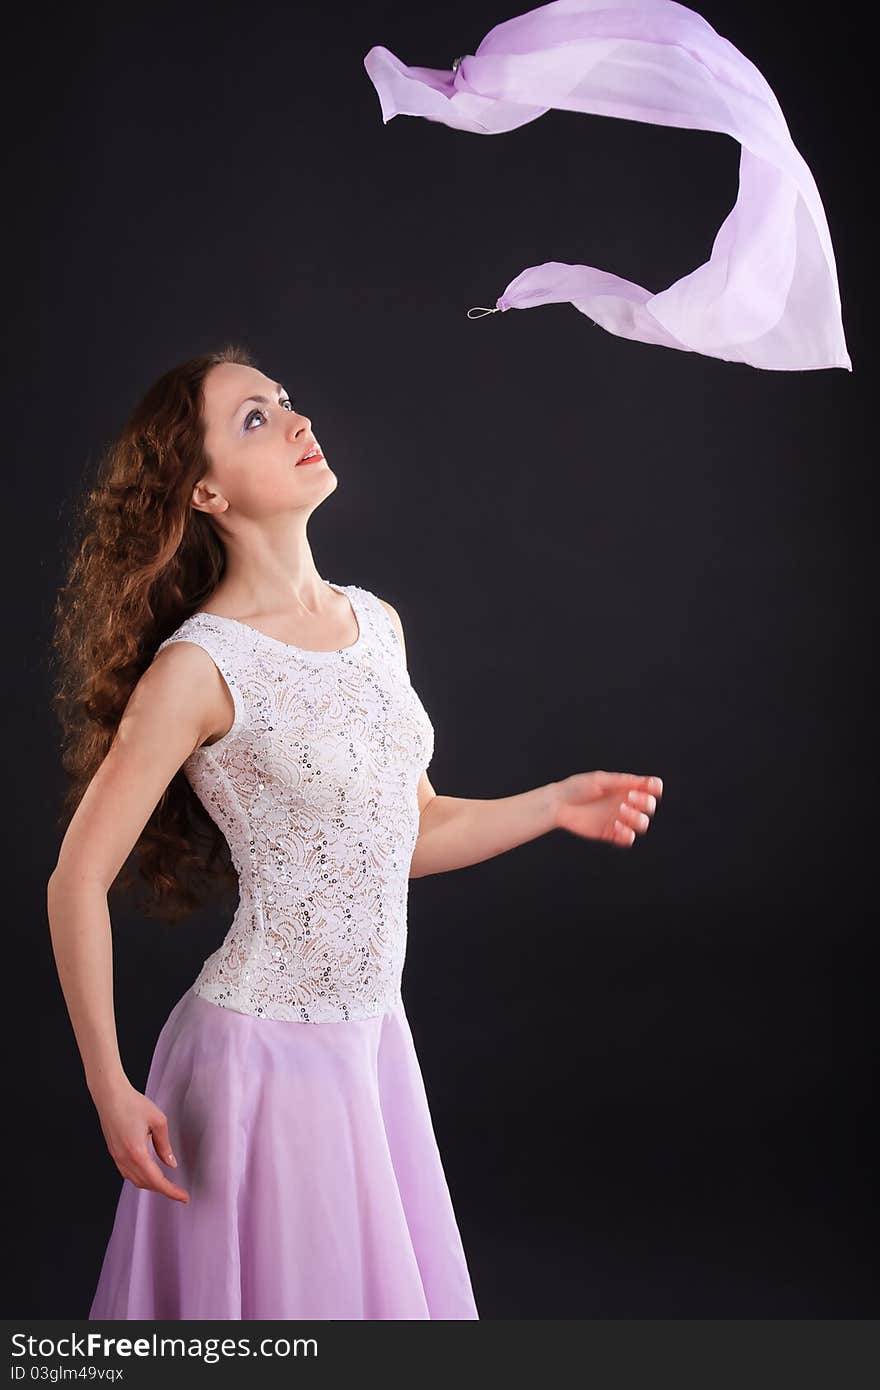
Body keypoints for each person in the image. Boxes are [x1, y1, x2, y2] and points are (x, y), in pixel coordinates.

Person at [46, 344, 663, 1320]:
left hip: (371, 1043)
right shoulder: (195, 670)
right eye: (255, 417)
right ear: (202, 490)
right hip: (256, 1057)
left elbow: (404, 831)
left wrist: (550, 805)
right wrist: (109, 1086)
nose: (295, 420)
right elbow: (74, 881)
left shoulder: (376, 623)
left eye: (285, 401)